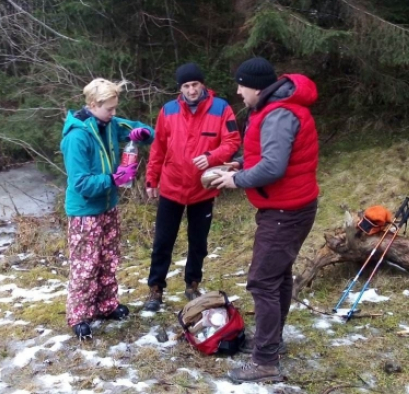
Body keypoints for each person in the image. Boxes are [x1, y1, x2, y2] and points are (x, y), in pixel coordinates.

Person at [211, 57, 319, 383]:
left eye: (241, 85)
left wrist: (236, 180)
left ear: (255, 87)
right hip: (287, 207)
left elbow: (274, 167)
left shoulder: (280, 113)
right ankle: (272, 342)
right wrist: (238, 164)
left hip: (286, 211)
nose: (238, 91)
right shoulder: (274, 108)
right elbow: (265, 154)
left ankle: (265, 362)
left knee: (262, 281)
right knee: (278, 277)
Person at [60, 78, 155, 339]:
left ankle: (106, 305)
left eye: (115, 108)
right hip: (85, 212)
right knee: (86, 264)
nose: (114, 114)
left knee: (108, 258)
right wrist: (114, 179)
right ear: (93, 104)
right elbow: (81, 183)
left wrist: (142, 134)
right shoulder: (77, 136)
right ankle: (79, 315)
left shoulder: (110, 124)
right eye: (110, 109)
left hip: (108, 206)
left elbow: (144, 130)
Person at [143, 63, 242, 311]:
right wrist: (151, 179)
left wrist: (212, 156)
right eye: (186, 86)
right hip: (171, 186)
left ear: (202, 84)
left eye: (195, 84)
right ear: (180, 88)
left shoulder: (221, 108)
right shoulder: (168, 111)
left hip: (203, 188)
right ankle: (155, 290)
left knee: (198, 242)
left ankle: (192, 285)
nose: (191, 90)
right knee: (163, 241)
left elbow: (232, 141)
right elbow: (158, 148)